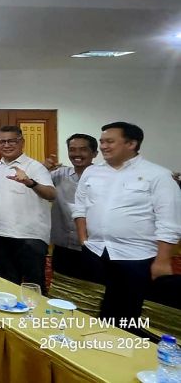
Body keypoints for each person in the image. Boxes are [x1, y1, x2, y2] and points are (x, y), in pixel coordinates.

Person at [73, 122, 180, 327]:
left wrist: (163, 260)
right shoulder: (91, 172)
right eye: (102, 141)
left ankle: (125, 344)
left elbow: (169, 222)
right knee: (93, 307)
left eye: (110, 141)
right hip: (96, 251)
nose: (103, 146)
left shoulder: (158, 175)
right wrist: (83, 239)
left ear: (131, 144)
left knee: (129, 313)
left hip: (136, 257)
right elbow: (80, 207)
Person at [0, 126, 56, 290]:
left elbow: (51, 194)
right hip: (0, 235)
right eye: (2, 141)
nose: (6, 145)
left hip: (30, 238)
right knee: (5, 287)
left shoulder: (35, 167)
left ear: (22, 142)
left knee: (33, 287)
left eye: (11, 141)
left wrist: (30, 183)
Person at [44, 133, 98, 280]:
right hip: (62, 244)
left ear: (94, 153)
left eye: (83, 149)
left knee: (91, 287)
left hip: (92, 246)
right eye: (72, 150)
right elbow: (34, 183)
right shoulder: (59, 174)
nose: (77, 154)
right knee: (61, 284)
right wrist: (43, 168)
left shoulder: (104, 178)